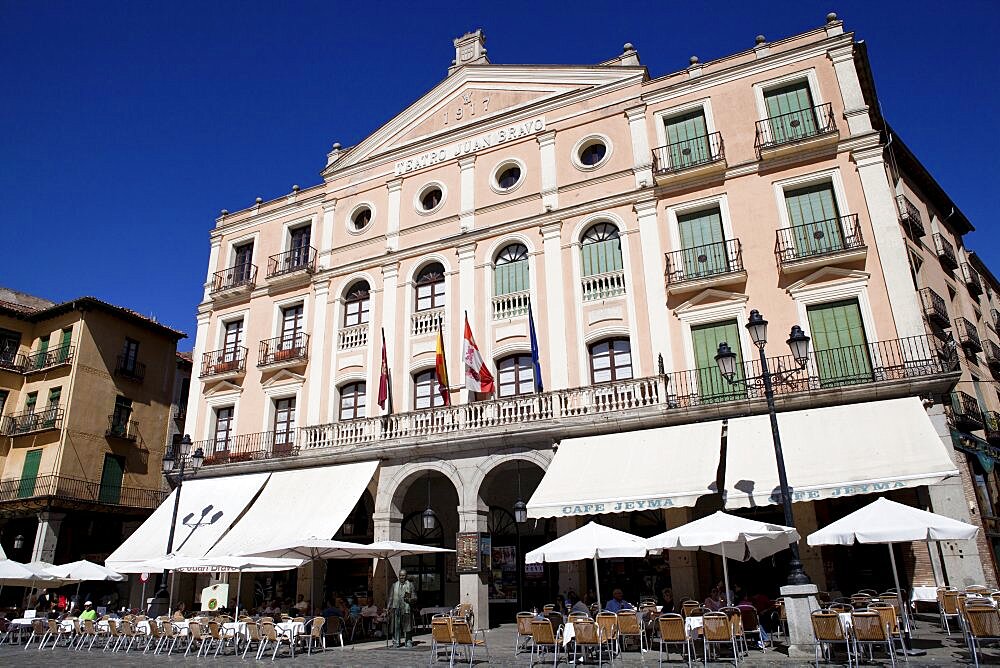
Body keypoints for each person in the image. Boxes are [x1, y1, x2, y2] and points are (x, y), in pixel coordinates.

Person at [387, 569, 416, 647]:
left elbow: (415, 597)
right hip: (396, 608)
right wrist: (388, 607)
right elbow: (390, 597)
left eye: (403, 575)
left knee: (407, 626)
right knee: (396, 626)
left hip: (406, 608)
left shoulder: (410, 585)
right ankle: (396, 641)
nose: (401, 577)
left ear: (406, 576)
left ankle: (408, 641)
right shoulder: (394, 585)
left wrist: (409, 599)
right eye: (400, 575)